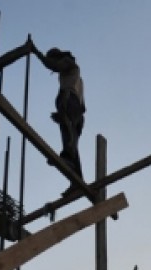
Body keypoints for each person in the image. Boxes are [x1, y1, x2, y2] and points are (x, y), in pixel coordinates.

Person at [33, 45, 85, 191]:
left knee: (69, 139)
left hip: (70, 104)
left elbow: (55, 66)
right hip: (75, 110)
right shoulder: (75, 76)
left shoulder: (69, 63)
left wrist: (36, 52)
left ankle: (67, 158)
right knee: (72, 142)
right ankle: (77, 180)